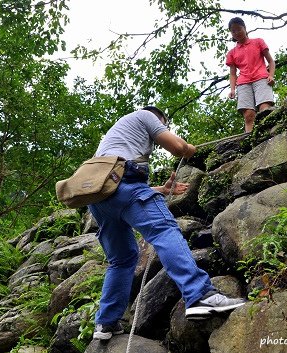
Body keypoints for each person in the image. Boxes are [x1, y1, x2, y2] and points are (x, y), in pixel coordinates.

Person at [88, 106, 246, 340]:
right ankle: (199, 295)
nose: (163, 128)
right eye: (164, 124)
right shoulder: (145, 116)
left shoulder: (116, 138)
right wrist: (188, 149)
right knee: (165, 231)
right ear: (158, 118)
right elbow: (178, 148)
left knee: (122, 259)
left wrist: (161, 190)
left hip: (98, 198)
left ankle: (106, 323)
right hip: (123, 184)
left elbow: (117, 187)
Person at [226, 17, 276, 133]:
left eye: (239, 29)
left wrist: (271, 76)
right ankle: (250, 141)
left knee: (265, 109)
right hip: (243, 83)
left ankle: (270, 134)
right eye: (233, 31)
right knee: (248, 114)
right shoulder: (232, 53)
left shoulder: (258, 42)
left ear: (245, 28)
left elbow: (271, 61)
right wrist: (232, 89)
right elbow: (233, 74)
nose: (236, 33)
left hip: (261, 78)